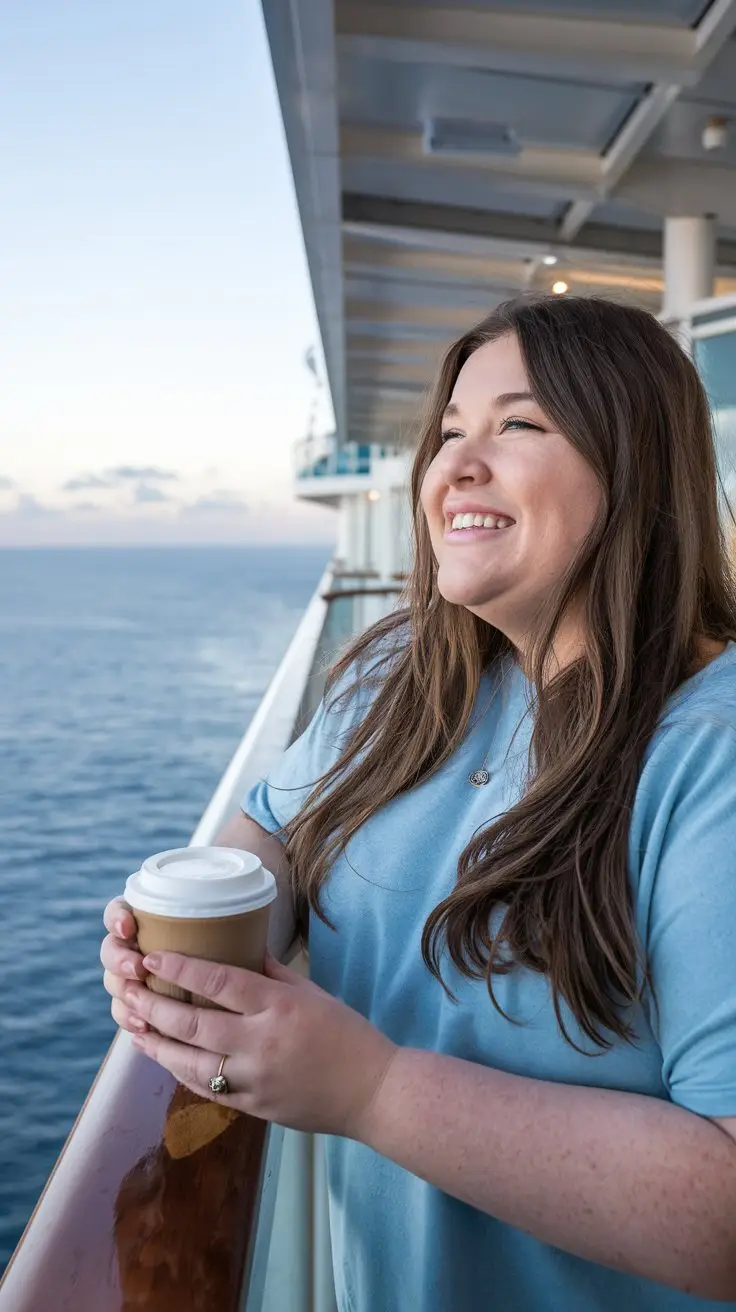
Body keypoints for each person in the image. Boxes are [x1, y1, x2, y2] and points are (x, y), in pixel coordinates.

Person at [101, 294, 736, 1311]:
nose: (455, 468)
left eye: (517, 425)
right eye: (448, 434)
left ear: (636, 464)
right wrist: (198, 940)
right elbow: (271, 831)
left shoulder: (711, 757)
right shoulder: (404, 677)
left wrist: (371, 1089)